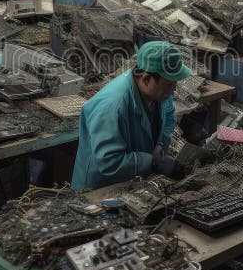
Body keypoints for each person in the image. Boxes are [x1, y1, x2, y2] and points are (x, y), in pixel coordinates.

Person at [71, 41, 190, 190]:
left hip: (134, 180)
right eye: (169, 85)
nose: (173, 91)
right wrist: (153, 162)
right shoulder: (112, 106)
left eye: (175, 84)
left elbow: (169, 116)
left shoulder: (159, 94)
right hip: (99, 189)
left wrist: (160, 143)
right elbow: (110, 162)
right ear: (146, 79)